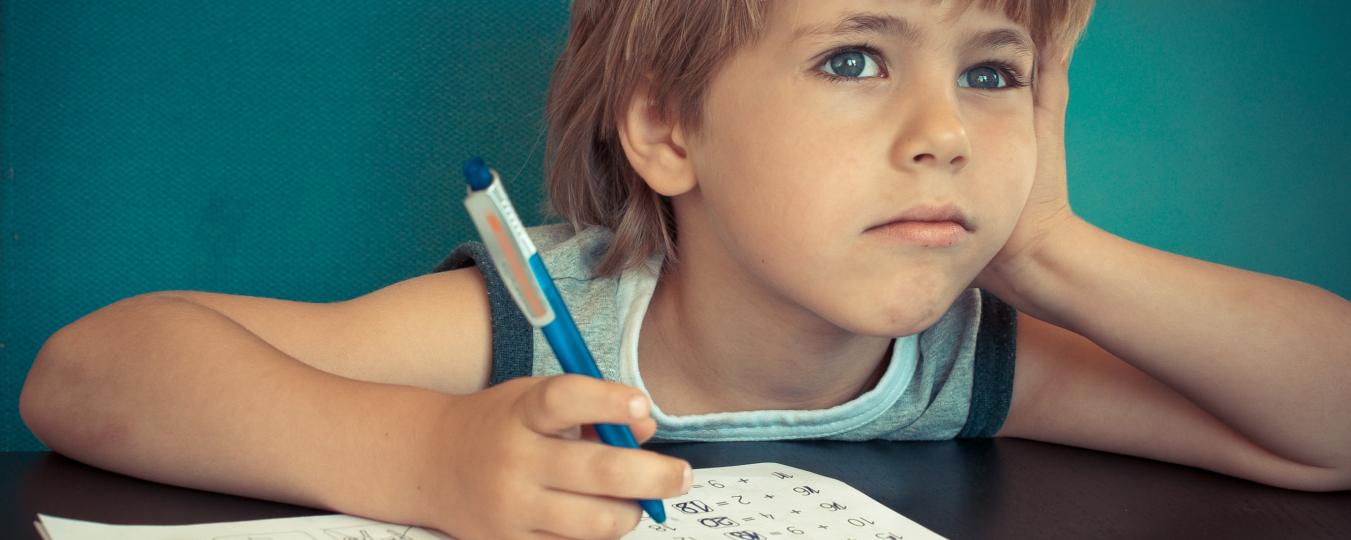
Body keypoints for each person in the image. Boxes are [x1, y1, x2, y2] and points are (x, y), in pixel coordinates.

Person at [19, 1, 1351, 538]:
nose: (946, 133)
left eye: (993, 73)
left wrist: (1053, 252)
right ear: (667, 127)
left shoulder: (968, 349)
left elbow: (1319, 434)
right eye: (854, 58)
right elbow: (84, 375)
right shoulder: (543, 321)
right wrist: (418, 457)